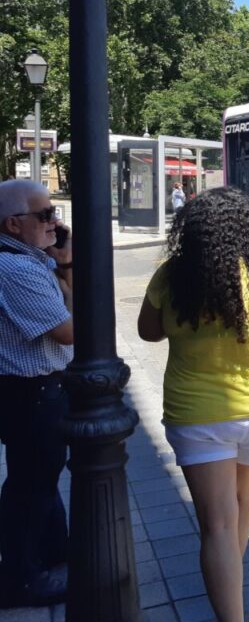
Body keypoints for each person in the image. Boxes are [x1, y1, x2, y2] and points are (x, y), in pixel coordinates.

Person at [137, 188, 249, 621]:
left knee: (216, 524)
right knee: (242, 496)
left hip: (198, 413)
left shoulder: (174, 276)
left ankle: (229, 603)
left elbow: (148, 332)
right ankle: (231, 571)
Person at [0, 180, 73, 608]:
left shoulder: (33, 261)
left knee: (39, 480)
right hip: (31, 394)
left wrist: (64, 264)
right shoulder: (18, 270)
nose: (55, 223)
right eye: (45, 215)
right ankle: (22, 579)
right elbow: (71, 330)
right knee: (31, 484)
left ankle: (50, 559)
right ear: (13, 224)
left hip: (35, 391)